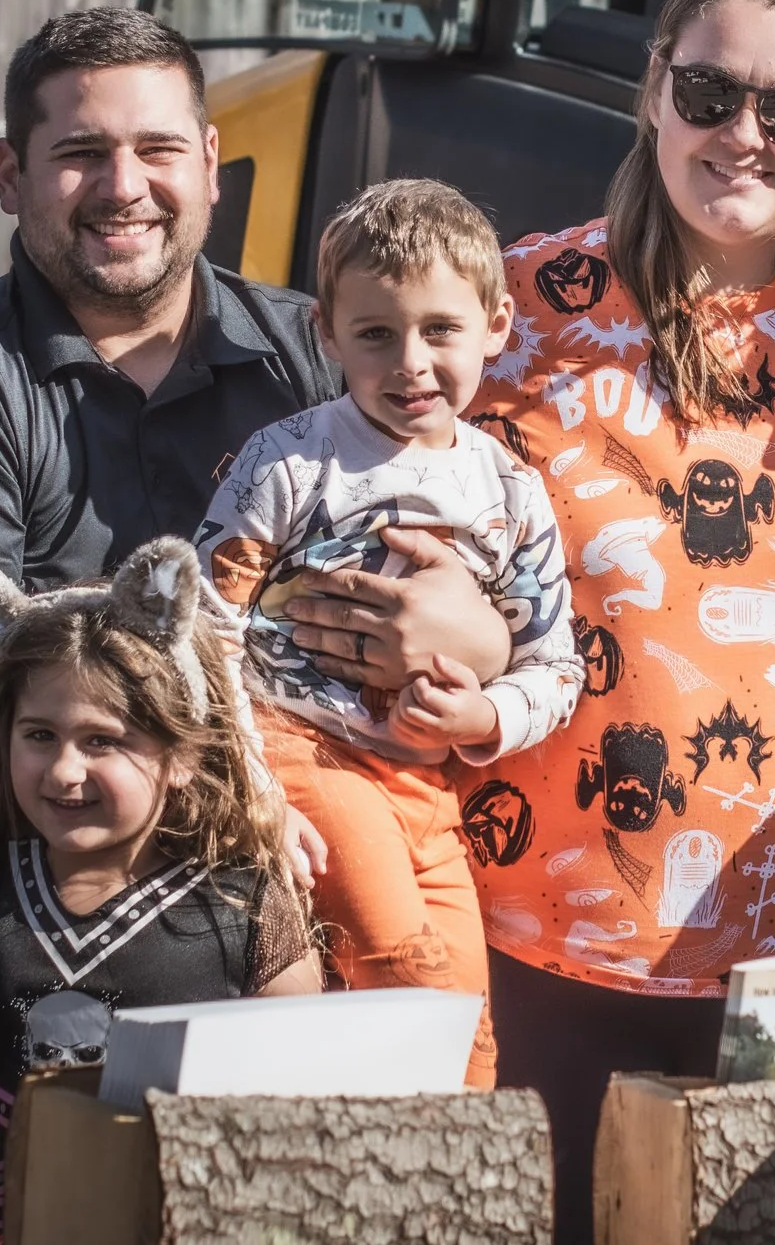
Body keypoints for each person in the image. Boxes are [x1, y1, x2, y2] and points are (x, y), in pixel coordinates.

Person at [0, 9, 506, 1155]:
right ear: (11, 174)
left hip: (336, 933)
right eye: (82, 152)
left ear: (210, 167)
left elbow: (480, 586)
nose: (123, 185)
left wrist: (470, 637)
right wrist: (237, 848)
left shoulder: (326, 352)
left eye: (157, 149)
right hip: (46, 978)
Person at [458, 0, 775, 1245]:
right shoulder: (510, 313)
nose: (743, 136)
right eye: (710, 93)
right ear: (654, 86)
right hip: (536, 942)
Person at [197, 178, 584, 1088]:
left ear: (496, 324)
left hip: (429, 786)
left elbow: (555, 665)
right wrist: (253, 788)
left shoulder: (510, 491)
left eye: (440, 330)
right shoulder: (288, 462)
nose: (411, 362)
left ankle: (460, 1204)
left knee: (475, 1034)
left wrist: (483, 718)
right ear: (327, 336)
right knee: (406, 970)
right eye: (376, 334)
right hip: (306, 752)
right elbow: (204, 630)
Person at [0, 538, 321, 1236]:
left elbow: (308, 1087)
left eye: (101, 741)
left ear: (180, 754)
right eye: (39, 735)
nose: (62, 771)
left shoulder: (245, 910)